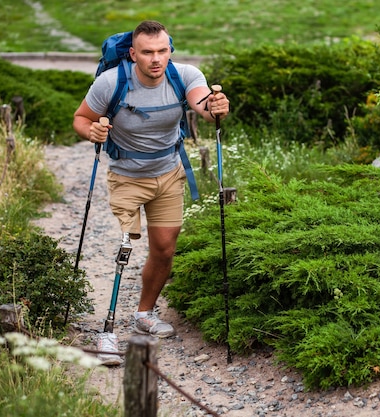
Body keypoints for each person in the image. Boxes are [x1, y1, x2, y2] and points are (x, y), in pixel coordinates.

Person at [73, 20, 230, 365]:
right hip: (126, 176)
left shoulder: (184, 75)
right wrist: (93, 133)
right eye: (147, 52)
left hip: (168, 173)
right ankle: (108, 333)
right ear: (133, 54)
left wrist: (215, 107)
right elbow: (82, 118)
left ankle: (144, 314)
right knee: (125, 246)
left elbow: (202, 104)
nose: (156, 59)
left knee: (164, 248)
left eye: (162, 51)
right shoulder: (111, 83)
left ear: (170, 50)